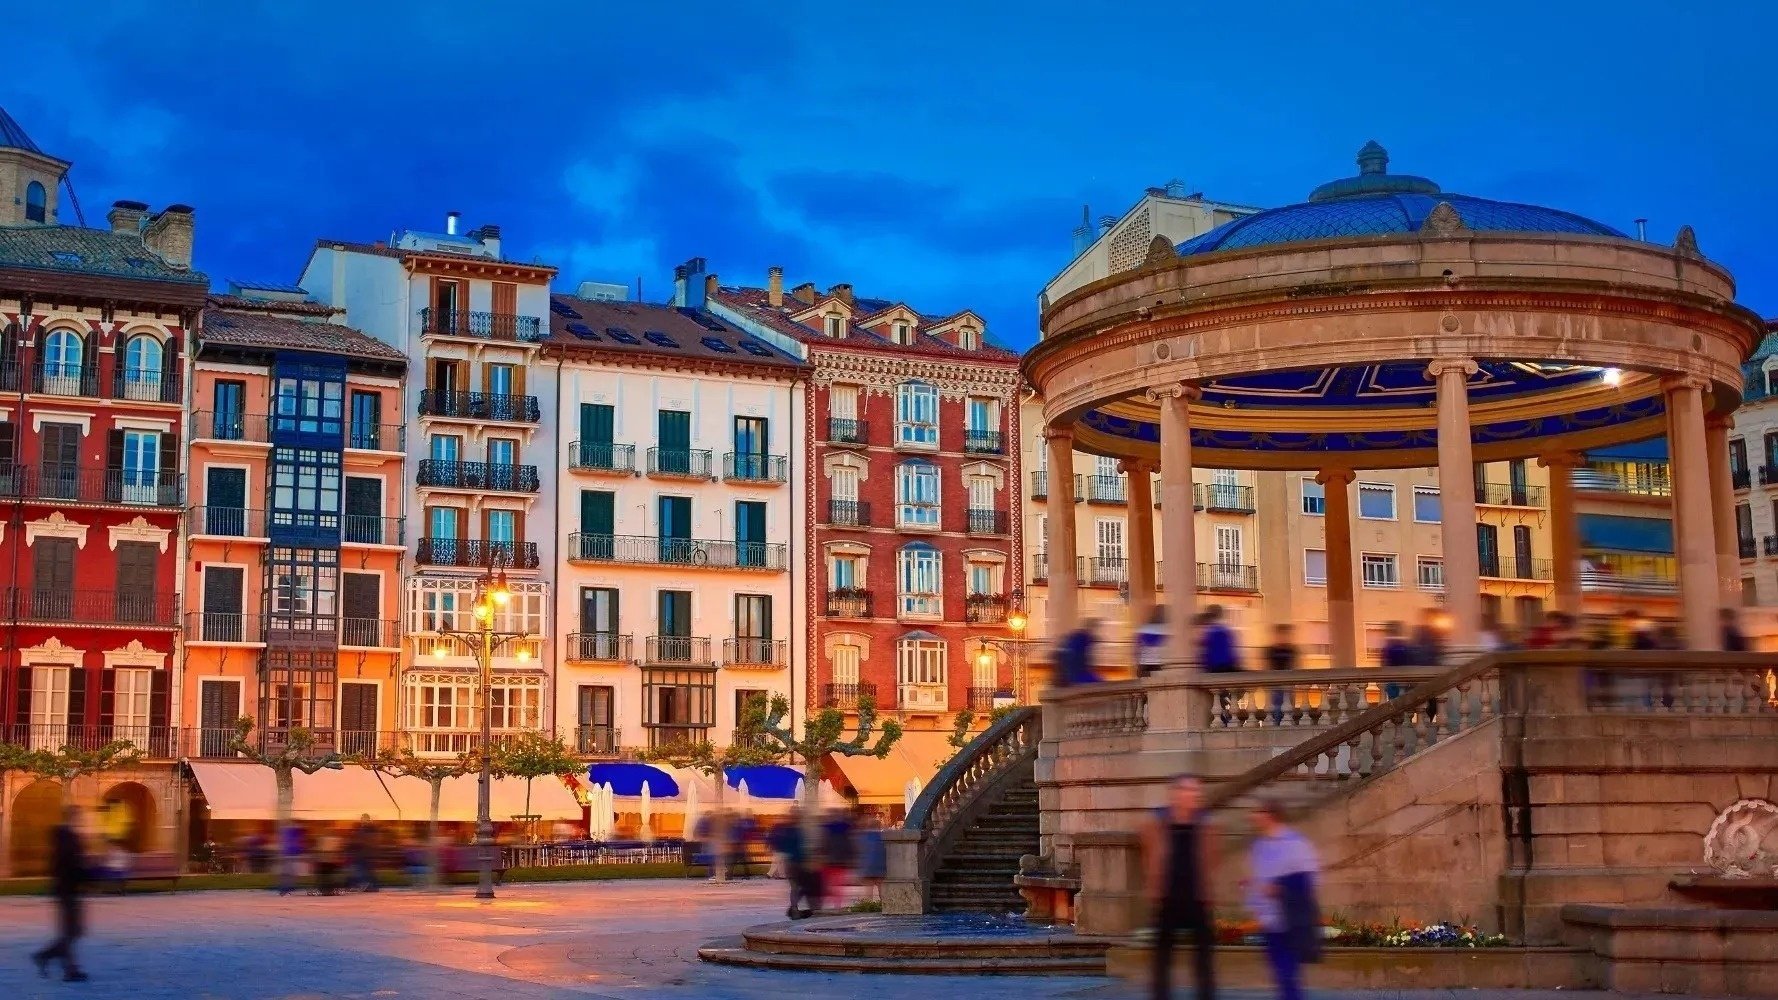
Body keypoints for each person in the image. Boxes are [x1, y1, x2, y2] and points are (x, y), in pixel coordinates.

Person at [1142, 774, 1217, 1000]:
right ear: (1177, 794)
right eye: (1189, 791)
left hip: (1197, 896)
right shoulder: (1160, 819)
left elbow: (1212, 856)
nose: (1194, 796)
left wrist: (1210, 887)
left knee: (1203, 957)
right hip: (1169, 896)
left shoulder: (1204, 821)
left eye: (1197, 792)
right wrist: (1153, 882)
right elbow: (1149, 850)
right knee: (1163, 957)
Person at [1246, 798, 1321, 1000]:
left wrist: (1280, 889)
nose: (1253, 817)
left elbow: (1309, 879)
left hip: (1290, 918)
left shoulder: (1296, 844)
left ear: (1270, 816)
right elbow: (1259, 878)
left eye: (1258, 812)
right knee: (1280, 973)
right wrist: (1254, 899)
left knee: (1288, 973)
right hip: (1268, 921)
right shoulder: (1258, 846)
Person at [32, 805, 89, 982]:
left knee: (72, 931)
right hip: (68, 889)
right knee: (72, 931)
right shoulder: (67, 837)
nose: (80, 819)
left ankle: (61, 965)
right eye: (78, 816)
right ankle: (52, 960)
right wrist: (85, 875)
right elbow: (70, 863)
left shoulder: (63, 836)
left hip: (66, 888)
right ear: (72, 817)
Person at [766, 809, 814, 919]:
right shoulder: (798, 831)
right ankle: (796, 908)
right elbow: (801, 847)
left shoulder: (785, 831)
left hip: (789, 862)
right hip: (798, 863)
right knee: (805, 886)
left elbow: (781, 845)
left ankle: (794, 908)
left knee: (795, 887)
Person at [818, 807, 857, 910]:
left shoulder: (826, 829)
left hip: (829, 861)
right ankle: (837, 905)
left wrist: (821, 856)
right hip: (840, 861)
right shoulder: (845, 830)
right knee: (838, 885)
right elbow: (849, 845)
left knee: (826, 883)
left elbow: (823, 844)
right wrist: (851, 858)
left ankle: (822, 904)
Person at [1264, 624, 1299, 723]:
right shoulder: (1271, 650)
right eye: (1281, 634)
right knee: (1277, 709)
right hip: (1275, 686)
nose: (1283, 637)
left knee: (1288, 709)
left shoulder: (1291, 650)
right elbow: (1266, 668)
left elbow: (1295, 666)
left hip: (1288, 685)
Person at [1054, 617, 1102, 687]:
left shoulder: (1077, 638)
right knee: (1100, 685)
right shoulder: (1082, 640)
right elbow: (1075, 662)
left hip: (1072, 673)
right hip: (1074, 675)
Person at [855, 814, 887, 904]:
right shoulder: (884, 837)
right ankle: (884, 905)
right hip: (881, 867)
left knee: (868, 890)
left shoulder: (863, 837)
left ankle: (868, 906)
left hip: (867, 867)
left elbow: (860, 852)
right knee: (882, 889)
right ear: (879, 826)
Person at [1198, 605, 1239, 674]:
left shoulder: (1210, 631)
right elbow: (1232, 652)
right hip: (1227, 666)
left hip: (1214, 667)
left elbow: (1205, 652)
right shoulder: (1226, 630)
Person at [347, 814, 378, 892]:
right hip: (367, 852)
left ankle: (365, 884)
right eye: (362, 819)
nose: (361, 820)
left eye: (363, 819)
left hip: (364, 852)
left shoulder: (366, 829)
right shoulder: (369, 828)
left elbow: (363, 839)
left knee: (360, 869)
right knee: (367, 869)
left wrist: (357, 840)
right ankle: (372, 886)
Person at [1136, 606, 1169, 677]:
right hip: (1154, 664)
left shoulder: (1145, 628)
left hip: (1145, 663)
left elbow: (1138, 647)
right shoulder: (1162, 630)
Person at [276, 822, 305, 896]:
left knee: (288, 873)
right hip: (291, 854)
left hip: (288, 854)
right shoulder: (294, 832)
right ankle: (286, 888)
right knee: (290, 873)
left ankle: (285, 888)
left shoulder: (287, 832)